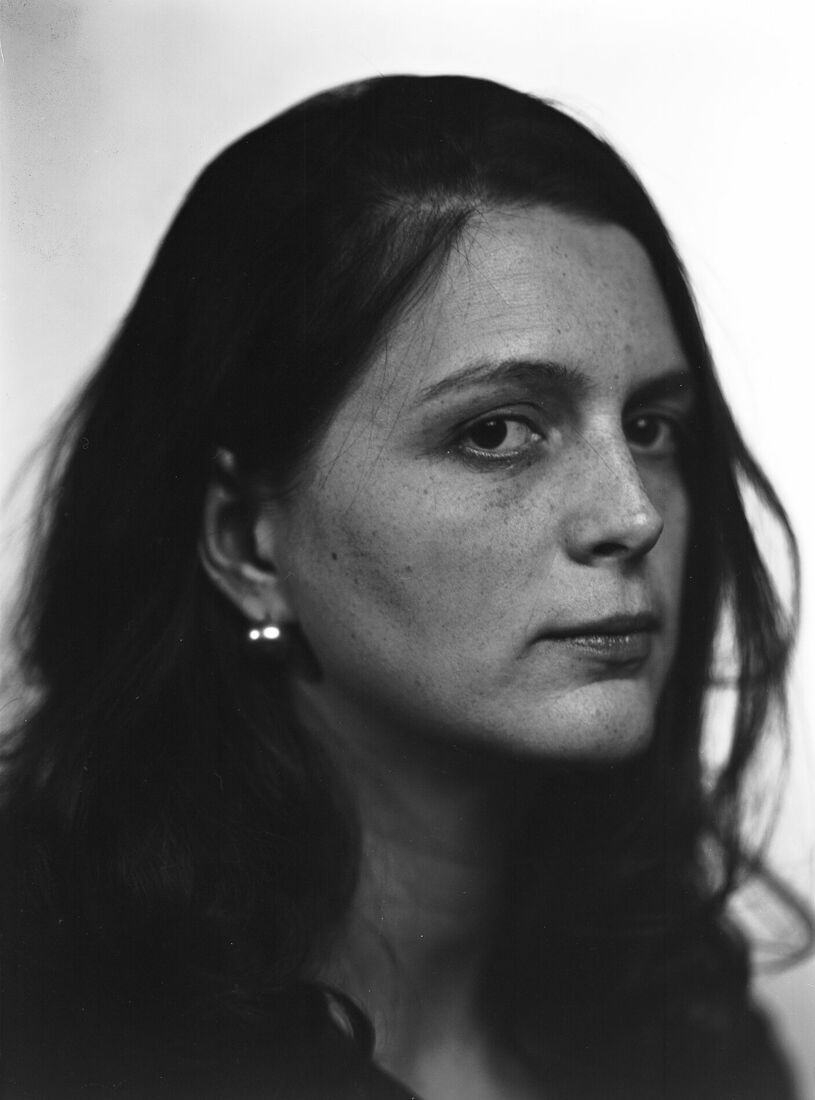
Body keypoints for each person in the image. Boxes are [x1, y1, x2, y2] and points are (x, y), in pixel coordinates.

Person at [0, 74, 808, 1099]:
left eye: (650, 427)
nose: (632, 511)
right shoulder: (52, 1030)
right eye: (496, 431)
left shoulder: (684, 1029)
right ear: (247, 544)